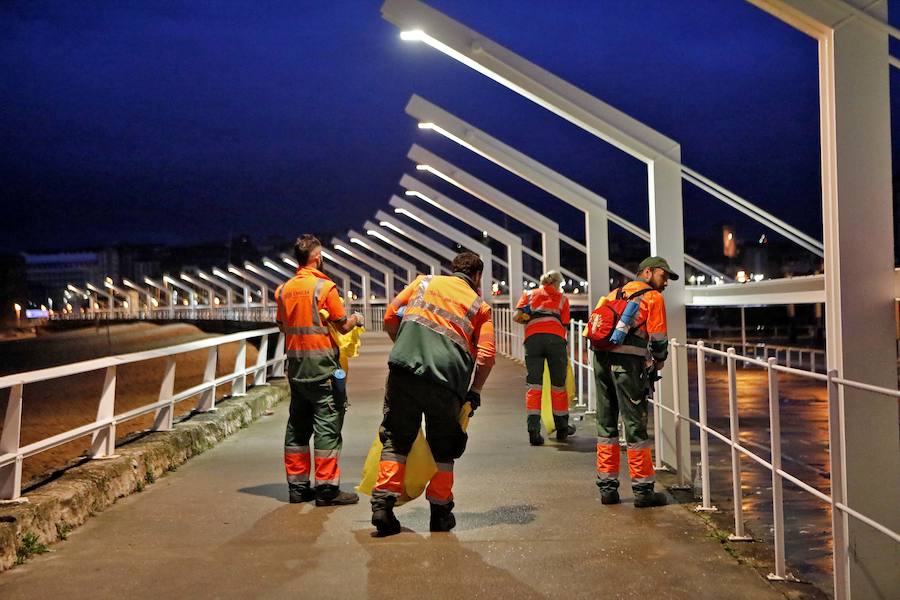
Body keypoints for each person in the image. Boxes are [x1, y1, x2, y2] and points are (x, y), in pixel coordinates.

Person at [371, 251, 496, 536]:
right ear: (477, 277)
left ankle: (382, 506)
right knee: (443, 447)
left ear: (453, 270)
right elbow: (487, 355)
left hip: (404, 370)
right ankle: (440, 514)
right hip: (448, 382)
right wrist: (474, 391)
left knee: (396, 437)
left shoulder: (423, 283)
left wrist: (407, 346)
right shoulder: (480, 307)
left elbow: (391, 317)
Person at [275, 234, 364, 507]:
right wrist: (357, 318)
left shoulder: (284, 290)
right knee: (327, 426)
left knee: (297, 428)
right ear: (317, 258)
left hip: (297, 369)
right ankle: (326, 490)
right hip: (323, 368)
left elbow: (282, 326)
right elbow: (343, 324)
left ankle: (298, 488)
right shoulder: (324, 288)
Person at [593, 256, 677, 508]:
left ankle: (607, 489)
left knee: (606, 423)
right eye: (664, 276)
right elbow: (659, 338)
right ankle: (643, 491)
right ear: (648, 272)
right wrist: (658, 361)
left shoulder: (614, 293)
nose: (666, 283)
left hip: (601, 360)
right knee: (635, 426)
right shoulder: (653, 298)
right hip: (628, 365)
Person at [513, 270, 573, 446]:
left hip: (533, 340)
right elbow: (565, 322)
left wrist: (530, 319)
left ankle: (533, 430)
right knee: (558, 386)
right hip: (555, 340)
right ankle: (562, 428)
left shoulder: (529, 295)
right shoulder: (562, 299)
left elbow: (517, 316)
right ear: (556, 283)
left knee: (534, 385)